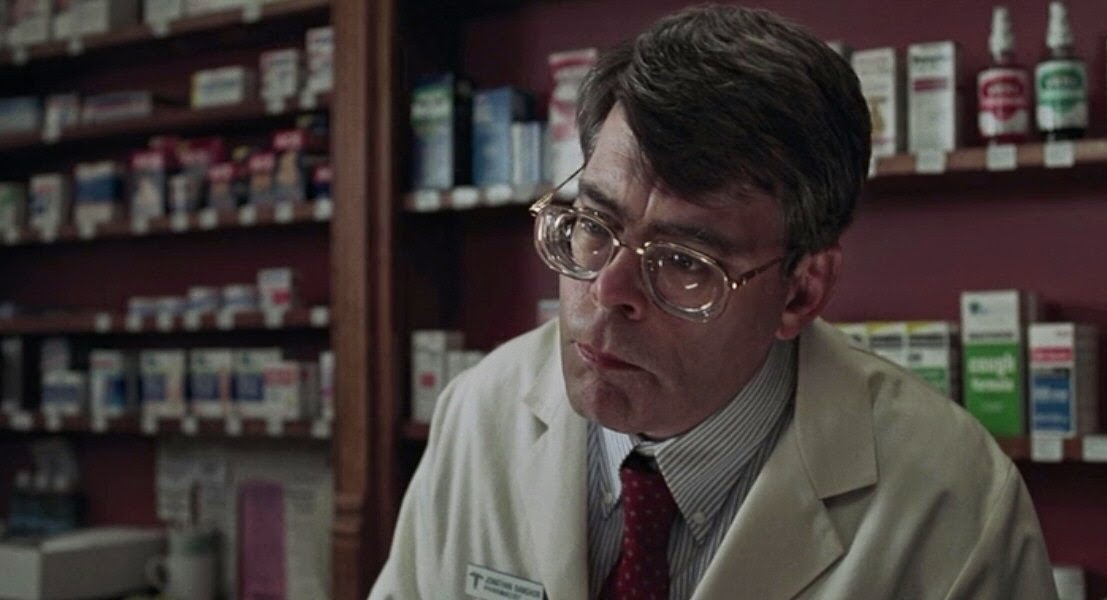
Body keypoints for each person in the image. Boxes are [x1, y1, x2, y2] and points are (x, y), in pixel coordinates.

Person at [370, 5, 1058, 599]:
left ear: (800, 292)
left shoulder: (954, 497)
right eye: (594, 225)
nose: (607, 292)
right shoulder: (478, 411)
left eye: (683, 263)